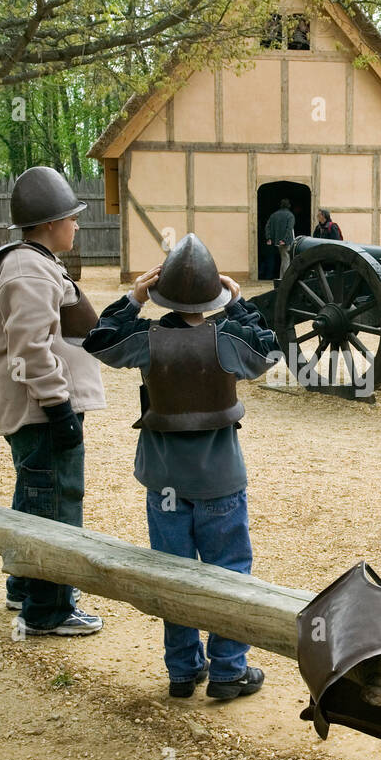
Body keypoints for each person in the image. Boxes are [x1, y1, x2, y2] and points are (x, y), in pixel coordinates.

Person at [83, 233, 280, 699]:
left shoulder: (144, 339)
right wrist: (238, 305)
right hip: (220, 481)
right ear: (216, 291)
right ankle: (229, 670)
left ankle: (181, 670)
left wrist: (132, 301)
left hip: (165, 481)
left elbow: (98, 341)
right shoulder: (229, 338)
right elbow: (270, 350)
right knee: (229, 573)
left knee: (172, 574)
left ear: (159, 290)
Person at [0, 165, 105, 636]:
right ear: (49, 224)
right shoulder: (29, 268)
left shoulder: (33, 263)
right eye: (71, 218)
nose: (77, 225)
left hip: (38, 408)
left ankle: (25, 584)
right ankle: (48, 610)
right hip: (41, 411)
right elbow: (29, 345)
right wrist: (58, 405)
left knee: (34, 493)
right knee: (55, 503)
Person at [264, 198, 295, 279]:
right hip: (286, 242)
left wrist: (269, 238)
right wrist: (285, 240)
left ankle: (282, 278)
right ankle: (285, 279)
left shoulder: (274, 215)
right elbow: (289, 229)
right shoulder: (290, 215)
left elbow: (267, 226)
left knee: (284, 259)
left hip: (277, 241)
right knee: (286, 259)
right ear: (289, 206)